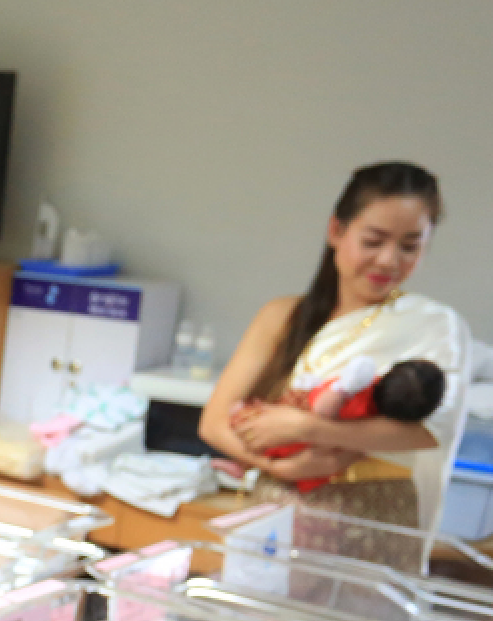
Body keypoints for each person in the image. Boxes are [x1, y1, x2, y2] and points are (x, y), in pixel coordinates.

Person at [199, 162, 469, 562]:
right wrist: (280, 468)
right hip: (277, 506)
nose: (388, 261)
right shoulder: (282, 316)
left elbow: (429, 431)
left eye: (409, 247)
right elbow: (214, 422)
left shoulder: (434, 325)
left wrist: (310, 428)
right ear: (336, 231)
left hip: (374, 515)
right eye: (373, 241)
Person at [252, 357, 447, 493]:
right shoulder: (372, 427)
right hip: (304, 465)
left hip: (287, 449)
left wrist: (342, 389)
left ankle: (245, 461)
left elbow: (322, 410)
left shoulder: (358, 397)